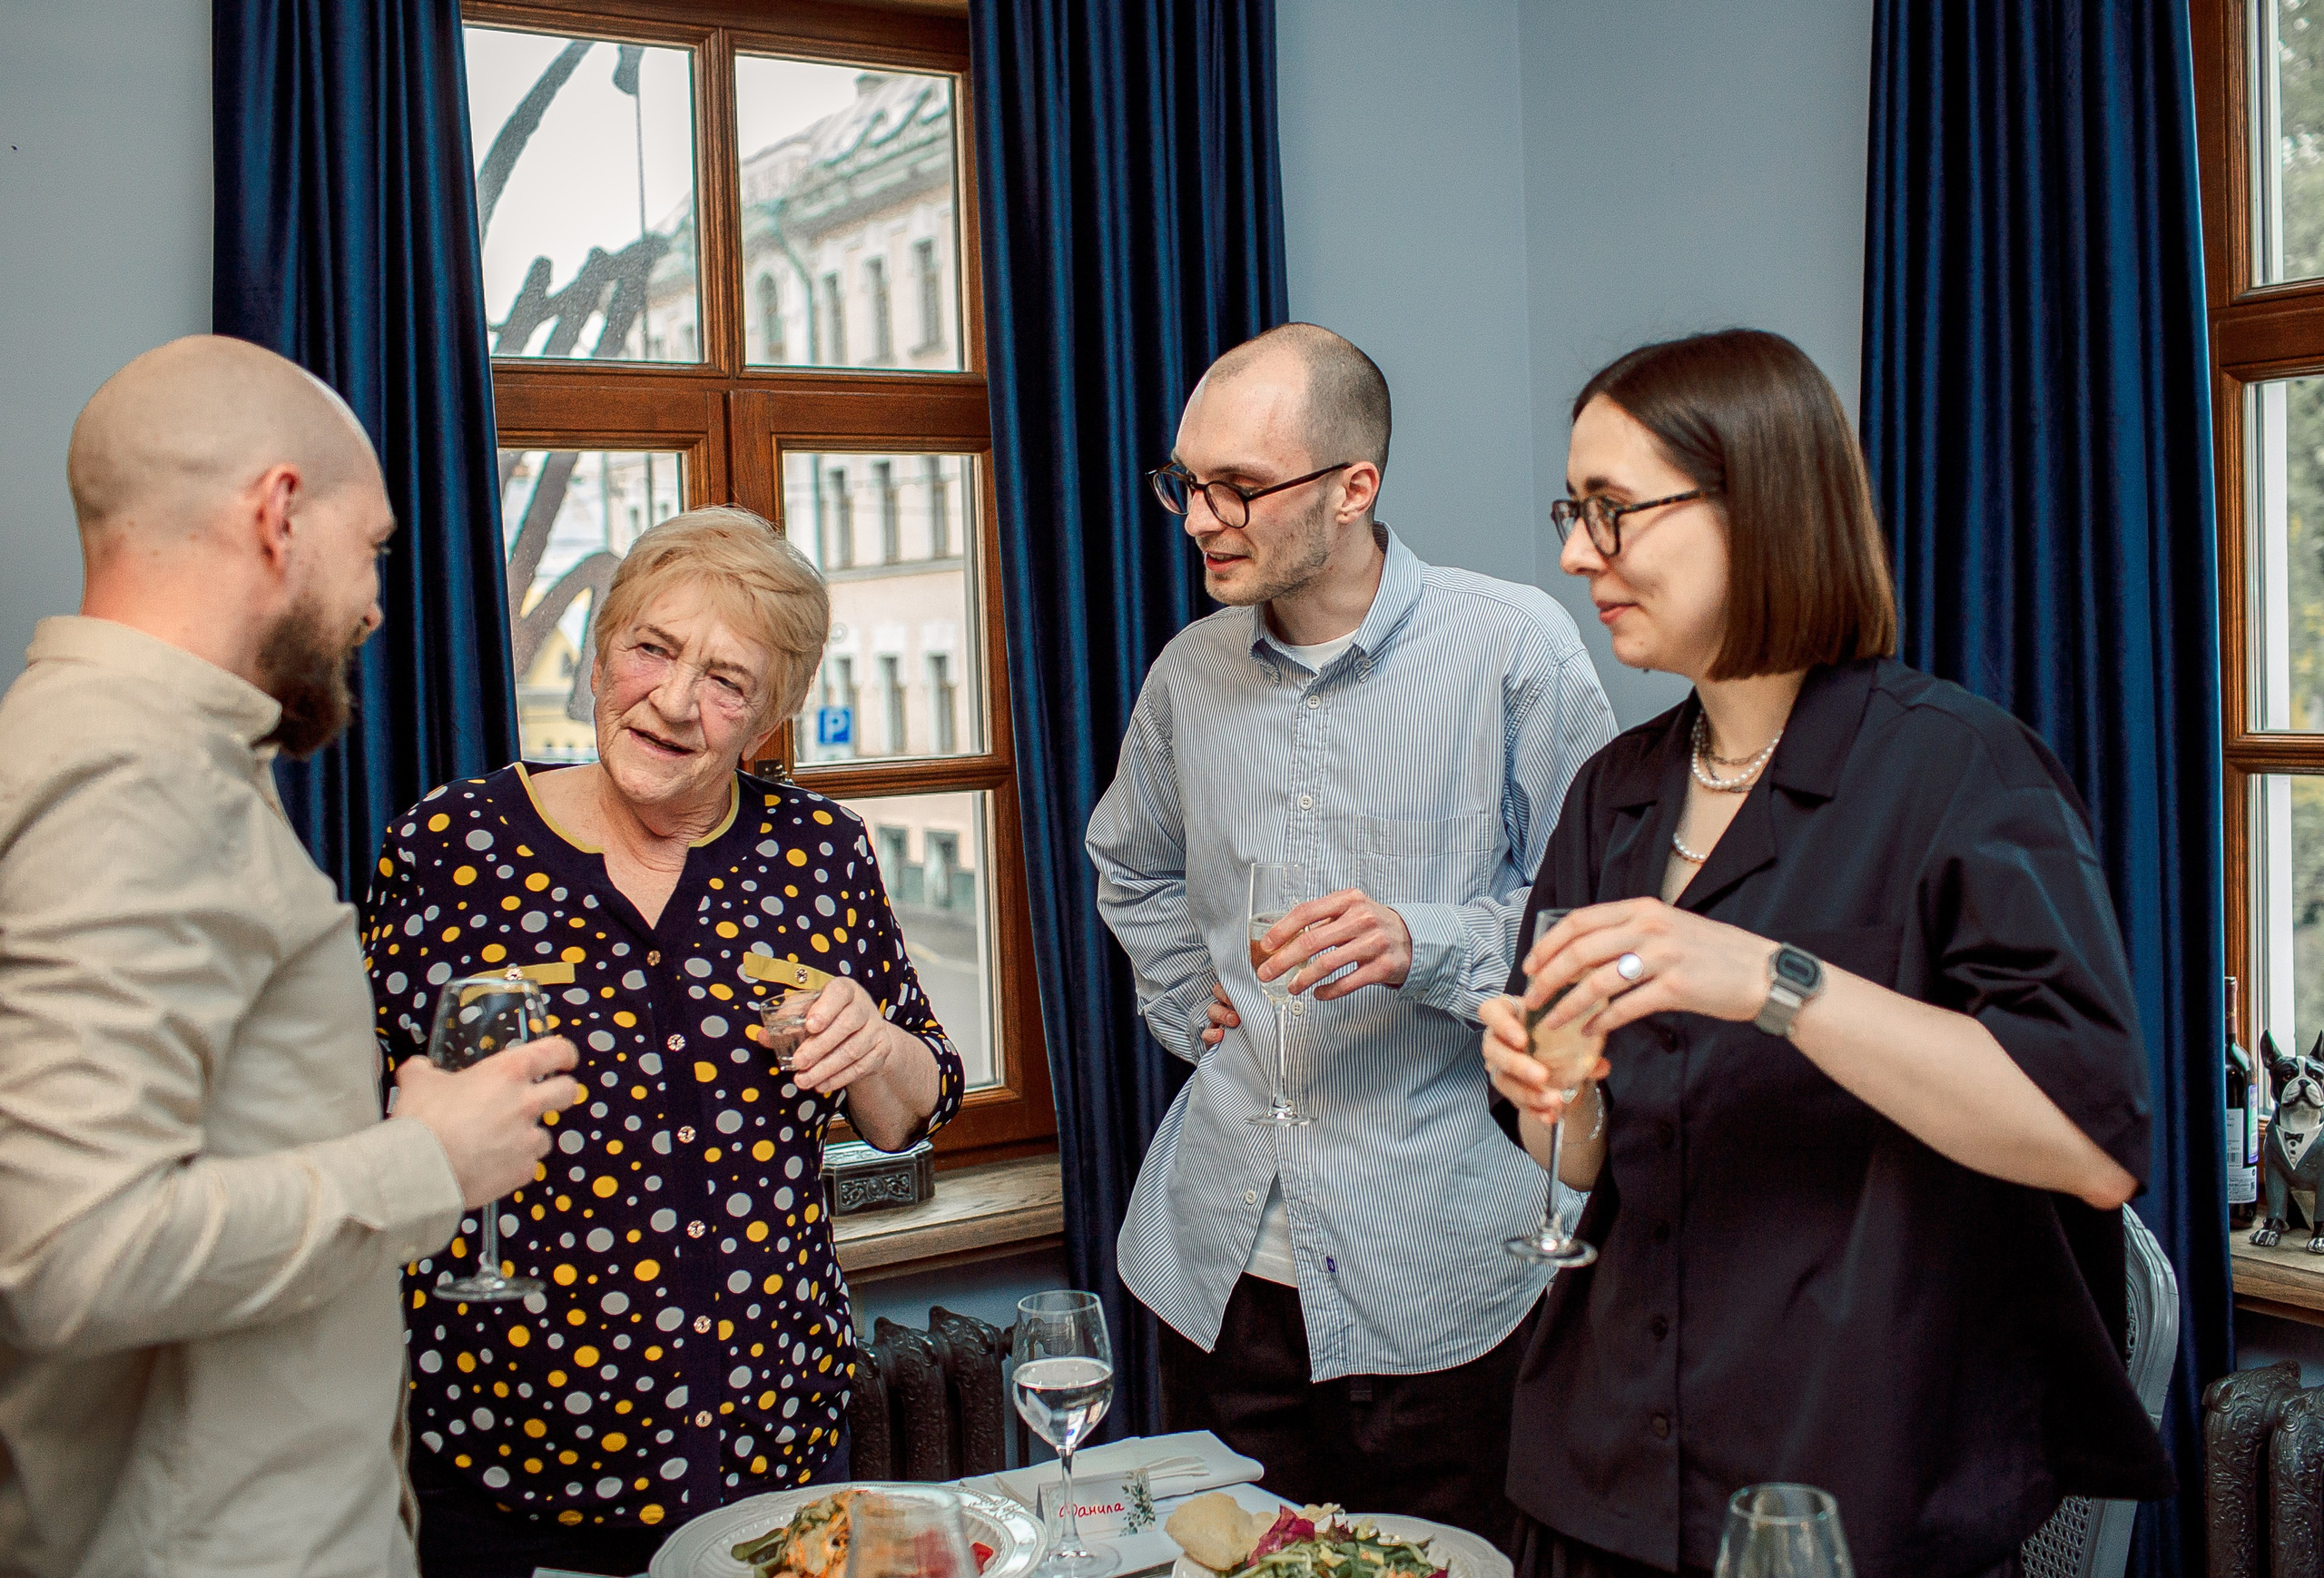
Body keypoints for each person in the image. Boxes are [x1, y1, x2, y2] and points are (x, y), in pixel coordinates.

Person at [1482, 329, 2174, 1578]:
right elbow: (1578, 1153)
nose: (1578, 551)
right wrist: (1552, 1080)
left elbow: (2092, 1142)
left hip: (1849, 1491)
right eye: (1569, 510)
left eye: (1612, 510)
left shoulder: (1960, 770)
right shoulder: (1611, 796)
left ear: (1761, 504)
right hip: (1598, 1484)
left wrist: (1773, 981)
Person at [0, 336, 582, 1578]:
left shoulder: (155, 754)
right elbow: (66, 1254)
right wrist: (428, 1159)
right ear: (278, 514)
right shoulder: (128, 773)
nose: (376, 603)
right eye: (369, 545)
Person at [1087, 322, 1616, 1538]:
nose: (1200, 517)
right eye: (1185, 482)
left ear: (1353, 487)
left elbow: (1595, 913)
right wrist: (1187, 1004)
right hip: (1214, 1274)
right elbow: (1133, 866)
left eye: (1239, 487)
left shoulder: (1515, 650)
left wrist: (1421, 939)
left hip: (1439, 1271)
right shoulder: (1185, 677)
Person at [368, 506, 964, 1578]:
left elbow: (910, 1102)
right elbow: (366, 1124)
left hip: (768, 1450)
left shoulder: (817, 853)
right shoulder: (449, 845)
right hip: (507, 1461)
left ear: (768, 717)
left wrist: (873, 1043)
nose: (677, 702)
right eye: (652, 648)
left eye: (729, 680)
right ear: (602, 654)